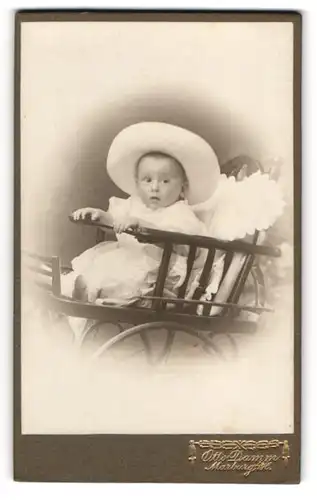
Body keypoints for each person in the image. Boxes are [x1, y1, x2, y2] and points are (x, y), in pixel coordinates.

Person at [61, 122, 221, 306]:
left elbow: (179, 241)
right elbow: (115, 223)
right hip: (126, 258)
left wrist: (142, 225)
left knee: (127, 277)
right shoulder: (134, 204)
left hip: (156, 273)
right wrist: (99, 216)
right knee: (102, 268)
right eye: (147, 180)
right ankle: (84, 289)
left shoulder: (180, 212)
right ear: (137, 184)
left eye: (165, 181)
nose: (154, 187)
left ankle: (98, 296)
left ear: (183, 188)